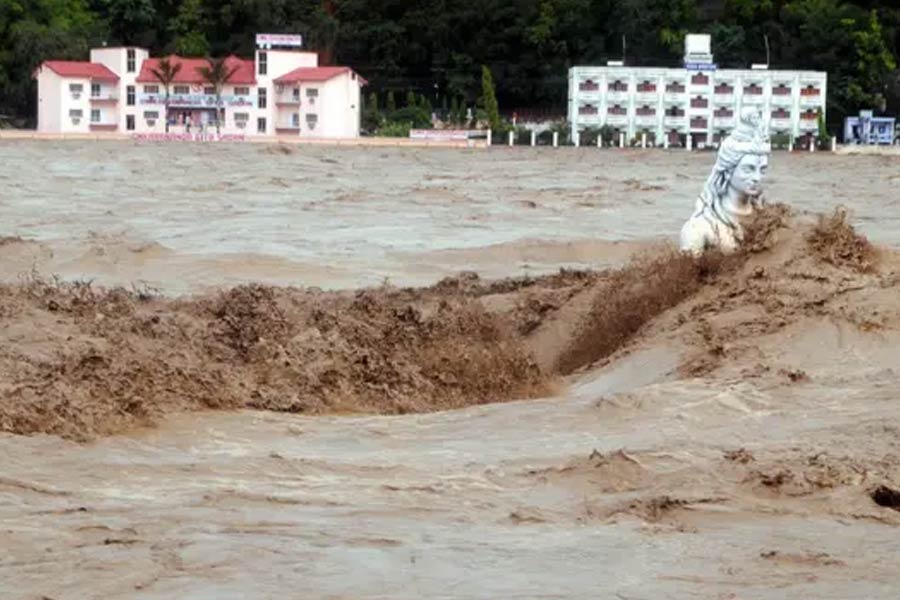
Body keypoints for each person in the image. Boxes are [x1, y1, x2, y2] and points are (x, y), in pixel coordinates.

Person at [680, 108, 770, 255]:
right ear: (728, 171)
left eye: (763, 170)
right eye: (749, 169)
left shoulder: (768, 220)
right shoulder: (700, 228)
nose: (757, 177)